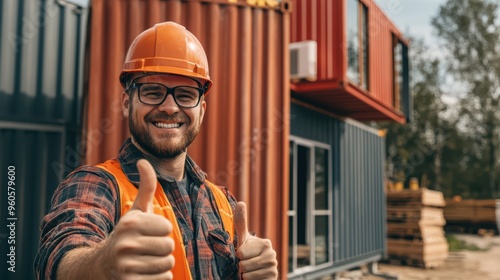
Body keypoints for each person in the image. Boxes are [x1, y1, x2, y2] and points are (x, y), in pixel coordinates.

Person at [34, 21, 278, 280]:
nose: (170, 107)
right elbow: (59, 257)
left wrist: (256, 270)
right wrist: (104, 264)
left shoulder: (223, 202)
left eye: (185, 95)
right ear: (127, 103)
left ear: (201, 111)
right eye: (153, 92)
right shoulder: (96, 186)